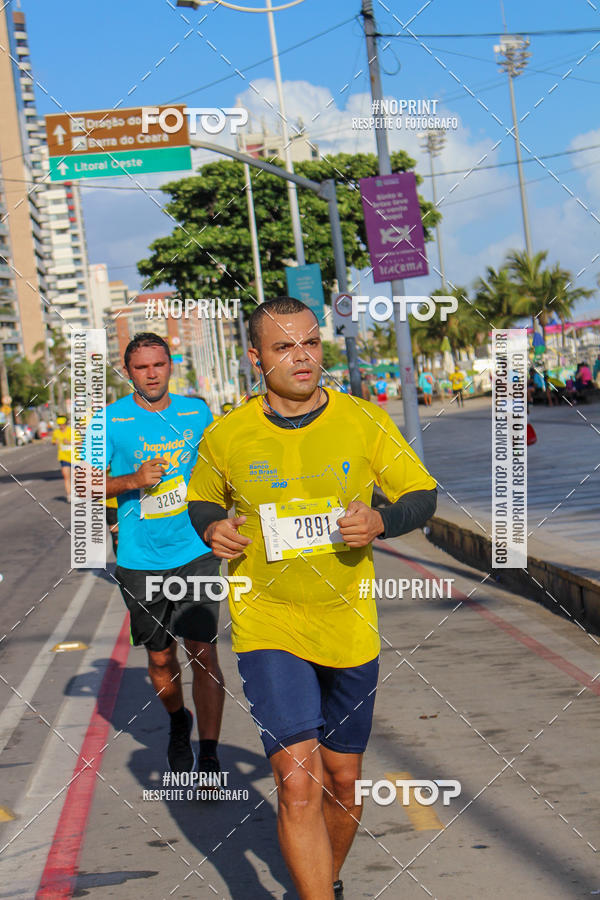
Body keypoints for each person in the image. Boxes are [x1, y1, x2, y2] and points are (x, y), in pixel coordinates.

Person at [186, 298, 437, 900]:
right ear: (255, 359)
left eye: (310, 343)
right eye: (283, 347)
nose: (302, 358)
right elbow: (203, 498)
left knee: (343, 783)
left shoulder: (361, 420)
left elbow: (422, 495)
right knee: (297, 781)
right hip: (268, 620)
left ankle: (327, 879)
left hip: (347, 622)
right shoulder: (228, 433)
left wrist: (380, 520)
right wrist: (212, 526)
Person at [87, 332, 225, 776]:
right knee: (162, 657)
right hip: (141, 558)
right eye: (142, 367)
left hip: (196, 548)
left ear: (170, 366)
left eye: (158, 365)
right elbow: (83, 484)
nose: (151, 373)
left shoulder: (197, 411)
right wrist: (132, 481)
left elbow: (221, 466)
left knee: (203, 650)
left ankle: (208, 755)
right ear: (127, 372)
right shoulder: (106, 421)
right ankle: (177, 722)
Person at [52, 415, 73, 502]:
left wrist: (69, 442)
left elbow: (80, 442)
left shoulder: (72, 431)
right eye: (59, 424)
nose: (61, 426)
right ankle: (69, 495)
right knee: (66, 477)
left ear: (66, 423)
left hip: (75, 457)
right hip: (63, 457)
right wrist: (55, 442)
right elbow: (53, 441)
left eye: (62, 424)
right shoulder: (56, 432)